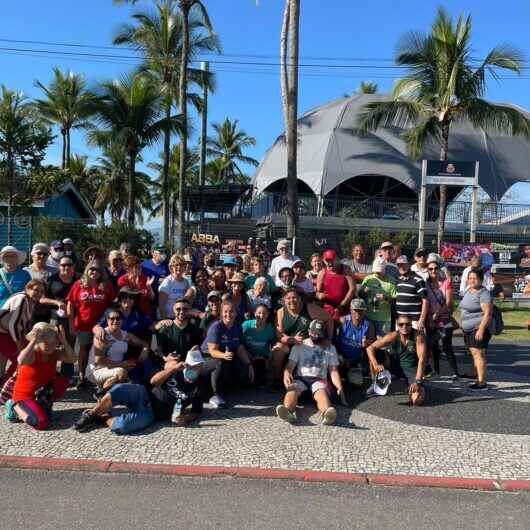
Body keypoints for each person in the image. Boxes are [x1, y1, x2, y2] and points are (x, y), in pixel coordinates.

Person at [74, 348, 206, 433]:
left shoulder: (199, 388)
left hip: (152, 413)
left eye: (197, 368)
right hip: (143, 393)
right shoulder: (175, 370)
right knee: (118, 389)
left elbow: (196, 412)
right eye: (190, 366)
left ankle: (103, 417)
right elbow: (154, 381)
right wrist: (172, 369)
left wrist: (187, 418)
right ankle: (90, 415)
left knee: (122, 427)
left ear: (201, 368)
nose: (193, 370)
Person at [5, 323, 75, 430]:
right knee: (40, 423)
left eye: (54, 342)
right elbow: (21, 360)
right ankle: (14, 408)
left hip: (39, 393)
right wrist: (33, 340)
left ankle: (44, 407)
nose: (50, 346)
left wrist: (64, 341)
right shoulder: (32, 353)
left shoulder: (54, 353)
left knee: (62, 381)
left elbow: (73, 359)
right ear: (38, 341)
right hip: (24, 396)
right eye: (45, 342)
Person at [276, 319, 345, 425]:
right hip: (301, 378)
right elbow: (289, 366)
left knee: (321, 393)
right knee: (293, 389)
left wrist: (339, 387)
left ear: (323, 334)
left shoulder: (330, 348)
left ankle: (326, 413)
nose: (315, 336)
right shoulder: (299, 345)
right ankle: (287, 411)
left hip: (319, 379)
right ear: (308, 331)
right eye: (313, 332)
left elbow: (333, 371)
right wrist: (286, 373)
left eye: (318, 334)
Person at [67, 261, 115, 389]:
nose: (94, 272)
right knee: (84, 350)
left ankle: (100, 378)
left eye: (97, 270)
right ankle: (82, 377)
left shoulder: (106, 285)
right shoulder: (79, 284)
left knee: (101, 351)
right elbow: (70, 304)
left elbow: (112, 304)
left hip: (101, 325)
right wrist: (71, 323)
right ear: (87, 271)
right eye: (91, 269)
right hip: (83, 324)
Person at [272, 288, 333, 386]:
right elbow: (279, 334)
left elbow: (329, 319)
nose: (291, 300)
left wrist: (328, 338)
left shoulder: (309, 308)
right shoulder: (281, 312)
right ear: (284, 300)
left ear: (300, 299)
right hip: (289, 342)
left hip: (306, 343)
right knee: (278, 349)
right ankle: (277, 379)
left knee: (322, 349)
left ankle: (318, 381)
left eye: (294, 297)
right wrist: (291, 340)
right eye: (288, 298)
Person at [201, 301, 254, 408]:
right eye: (225, 312)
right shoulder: (216, 327)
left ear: (236, 313)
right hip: (207, 358)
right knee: (219, 363)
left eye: (231, 312)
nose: (228, 314)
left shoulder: (237, 327)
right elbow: (212, 350)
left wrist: (249, 364)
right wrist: (224, 355)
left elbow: (240, 348)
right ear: (221, 313)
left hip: (226, 356)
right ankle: (215, 395)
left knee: (243, 368)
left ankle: (228, 388)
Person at [366, 315, 427, 406]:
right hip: (395, 366)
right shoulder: (393, 335)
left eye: (407, 324)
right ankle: (377, 383)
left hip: (412, 370)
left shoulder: (418, 336)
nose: (404, 327)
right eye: (401, 324)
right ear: (397, 325)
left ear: (411, 324)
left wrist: (417, 381)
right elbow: (370, 348)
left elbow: (422, 360)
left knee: (417, 400)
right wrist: (375, 365)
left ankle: (413, 386)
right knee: (376, 355)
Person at [87, 309, 149, 396]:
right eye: (112, 318)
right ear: (107, 320)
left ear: (122, 321)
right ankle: (101, 395)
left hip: (116, 367)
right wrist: (122, 364)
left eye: (118, 318)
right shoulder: (102, 335)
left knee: (138, 367)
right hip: (98, 369)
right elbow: (99, 361)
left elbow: (143, 343)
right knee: (121, 372)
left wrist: (145, 350)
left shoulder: (125, 335)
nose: (115, 321)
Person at [40, 255, 79, 377]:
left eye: (69, 265)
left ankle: (67, 376)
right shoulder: (52, 279)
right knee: (50, 344)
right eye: (63, 265)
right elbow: (41, 299)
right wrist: (56, 302)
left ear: (74, 266)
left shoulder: (79, 279)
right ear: (59, 266)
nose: (66, 267)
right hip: (55, 317)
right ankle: (48, 373)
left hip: (73, 317)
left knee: (70, 345)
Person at [0, 280, 45, 383]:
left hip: (6, 333)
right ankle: (8, 385)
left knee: (22, 358)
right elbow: (14, 324)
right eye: (36, 290)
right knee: (21, 359)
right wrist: (19, 343)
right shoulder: (22, 298)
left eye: (41, 291)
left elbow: (21, 324)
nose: (39, 293)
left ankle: (7, 383)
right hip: (3, 333)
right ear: (28, 289)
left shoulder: (30, 301)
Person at [425, 255, 459, 379]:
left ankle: (455, 372)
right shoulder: (425, 284)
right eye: (430, 269)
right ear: (427, 270)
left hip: (444, 320)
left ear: (439, 269)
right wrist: (429, 317)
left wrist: (437, 313)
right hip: (431, 321)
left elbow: (449, 302)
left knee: (447, 346)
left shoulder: (446, 282)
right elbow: (425, 302)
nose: (433, 271)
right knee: (433, 346)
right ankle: (436, 371)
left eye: (435, 268)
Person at [458, 268, 493, 390]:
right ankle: (475, 374)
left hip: (478, 328)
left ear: (481, 280)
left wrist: (481, 329)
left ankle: (482, 383)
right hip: (468, 328)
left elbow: (488, 314)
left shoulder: (483, 293)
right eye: (470, 278)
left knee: (479, 354)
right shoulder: (469, 290)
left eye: (475, 278)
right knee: (474, 353)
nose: (472, 280)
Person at [337, 298, 376, 380]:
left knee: (357, 383)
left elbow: (373, 344)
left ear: (364, 311)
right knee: (338, 361)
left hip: (356, 360)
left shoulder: (369, 325)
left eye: (360, 310)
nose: (358, 313)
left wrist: (367, 342)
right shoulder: (343, 321)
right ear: (350, 310)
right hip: (341, 357)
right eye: (355, 310)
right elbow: (334, 341)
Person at [359, 258, 396, 338]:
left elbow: (395, 301)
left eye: (379, 272)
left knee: (383, 345)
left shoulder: (391, 281)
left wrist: (385, 298)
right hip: (368, 317)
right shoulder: (368, 279)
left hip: (384, 319)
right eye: (375, 271)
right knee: (368, 342)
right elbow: (360, 295)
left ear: (384, 269)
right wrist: (364, 291)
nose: (376, 274)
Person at [316, 249, 355, 321]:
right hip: (328, 309)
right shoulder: (322, 272)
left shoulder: (345, 269)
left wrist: (342, 305)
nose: (329, 263)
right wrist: (319, 295)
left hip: (345, 309)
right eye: (327, 260)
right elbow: (317, 292)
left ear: (337, 259)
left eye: (331, 260)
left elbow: (352, 289)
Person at [242, 304, 277, 387]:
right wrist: (249, 355)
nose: (261, 315)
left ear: (268, 315)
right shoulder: (246, 325)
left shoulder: (270, 329)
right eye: (259, 313)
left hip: (261, 358)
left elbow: (274, 344)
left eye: (264, 313)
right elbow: (240, 344)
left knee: (259, 382)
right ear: (254, 313)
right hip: (247, 356)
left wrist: (268, 357)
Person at [395, 255, 428, 332]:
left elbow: (425, 301)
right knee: (402, 343)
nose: (402, 267)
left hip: (414, 321)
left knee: (418, 343)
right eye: (399, 265)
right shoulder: (397, 280)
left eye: (404, 265)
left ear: (409, 264)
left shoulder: (418, 279)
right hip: (400, 321)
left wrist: (421, 320)